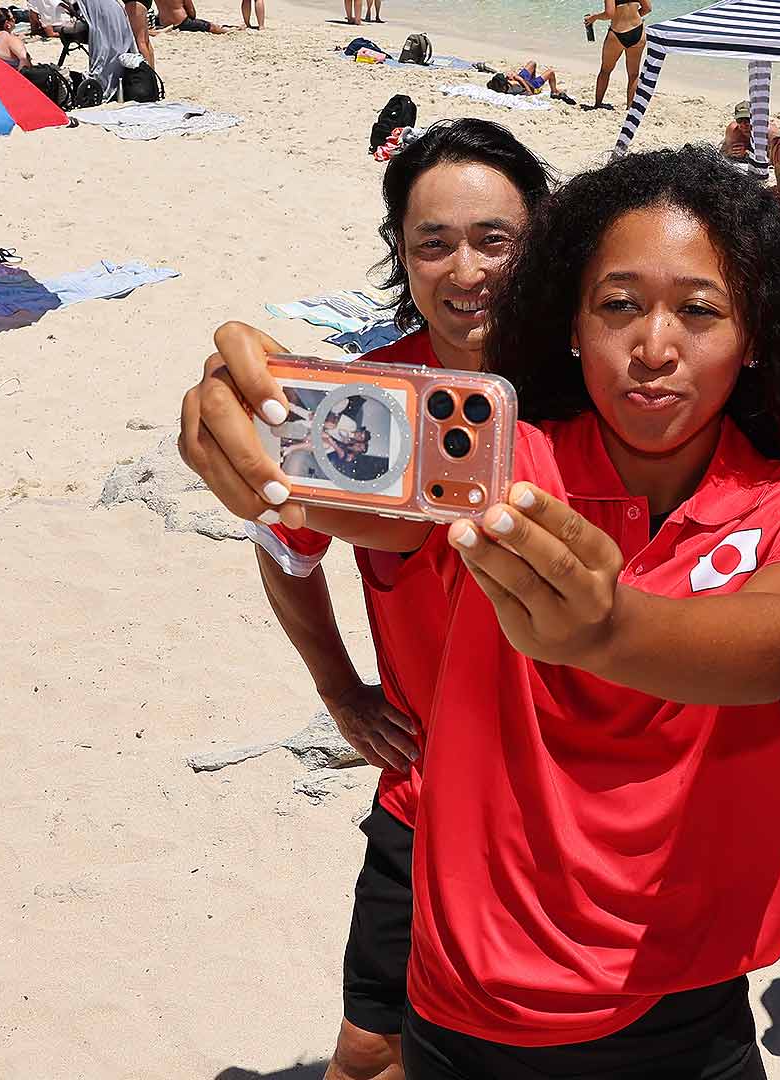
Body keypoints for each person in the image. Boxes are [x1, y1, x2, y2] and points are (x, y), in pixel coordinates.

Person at [178, 144, 780, 1078]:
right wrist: (248, 422)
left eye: (699, 309)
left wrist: (611, 630)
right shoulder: (493, 466)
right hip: (466, 1000)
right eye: (618, 306)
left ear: (757, 334)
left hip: (680, 1002)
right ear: (569, 323)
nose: (654, 346)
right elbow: (331, 493)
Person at [245, 119, 553, 1080]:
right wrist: (340, 690)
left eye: (494, 240)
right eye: (435, 243)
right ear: (403, 256)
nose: (467, 269)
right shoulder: (366, 404)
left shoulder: (600, 396)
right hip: (425, 796)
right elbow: (284, 547)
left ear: (541, 240)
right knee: (373, 1047)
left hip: (564, 809)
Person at [582, 0, 649, 110]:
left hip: (618, 33)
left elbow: (609, 13)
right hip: (638, 30)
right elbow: (647, 8)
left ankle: (598, 104)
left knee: (605, 71)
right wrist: (632, 17)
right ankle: (630, 107)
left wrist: (594, 17)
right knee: (634, 74)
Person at [153, 0, 233, 33]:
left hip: (162, 21)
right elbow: (192, 12)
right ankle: (229, 30)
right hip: (180, 23)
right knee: (213, 27)